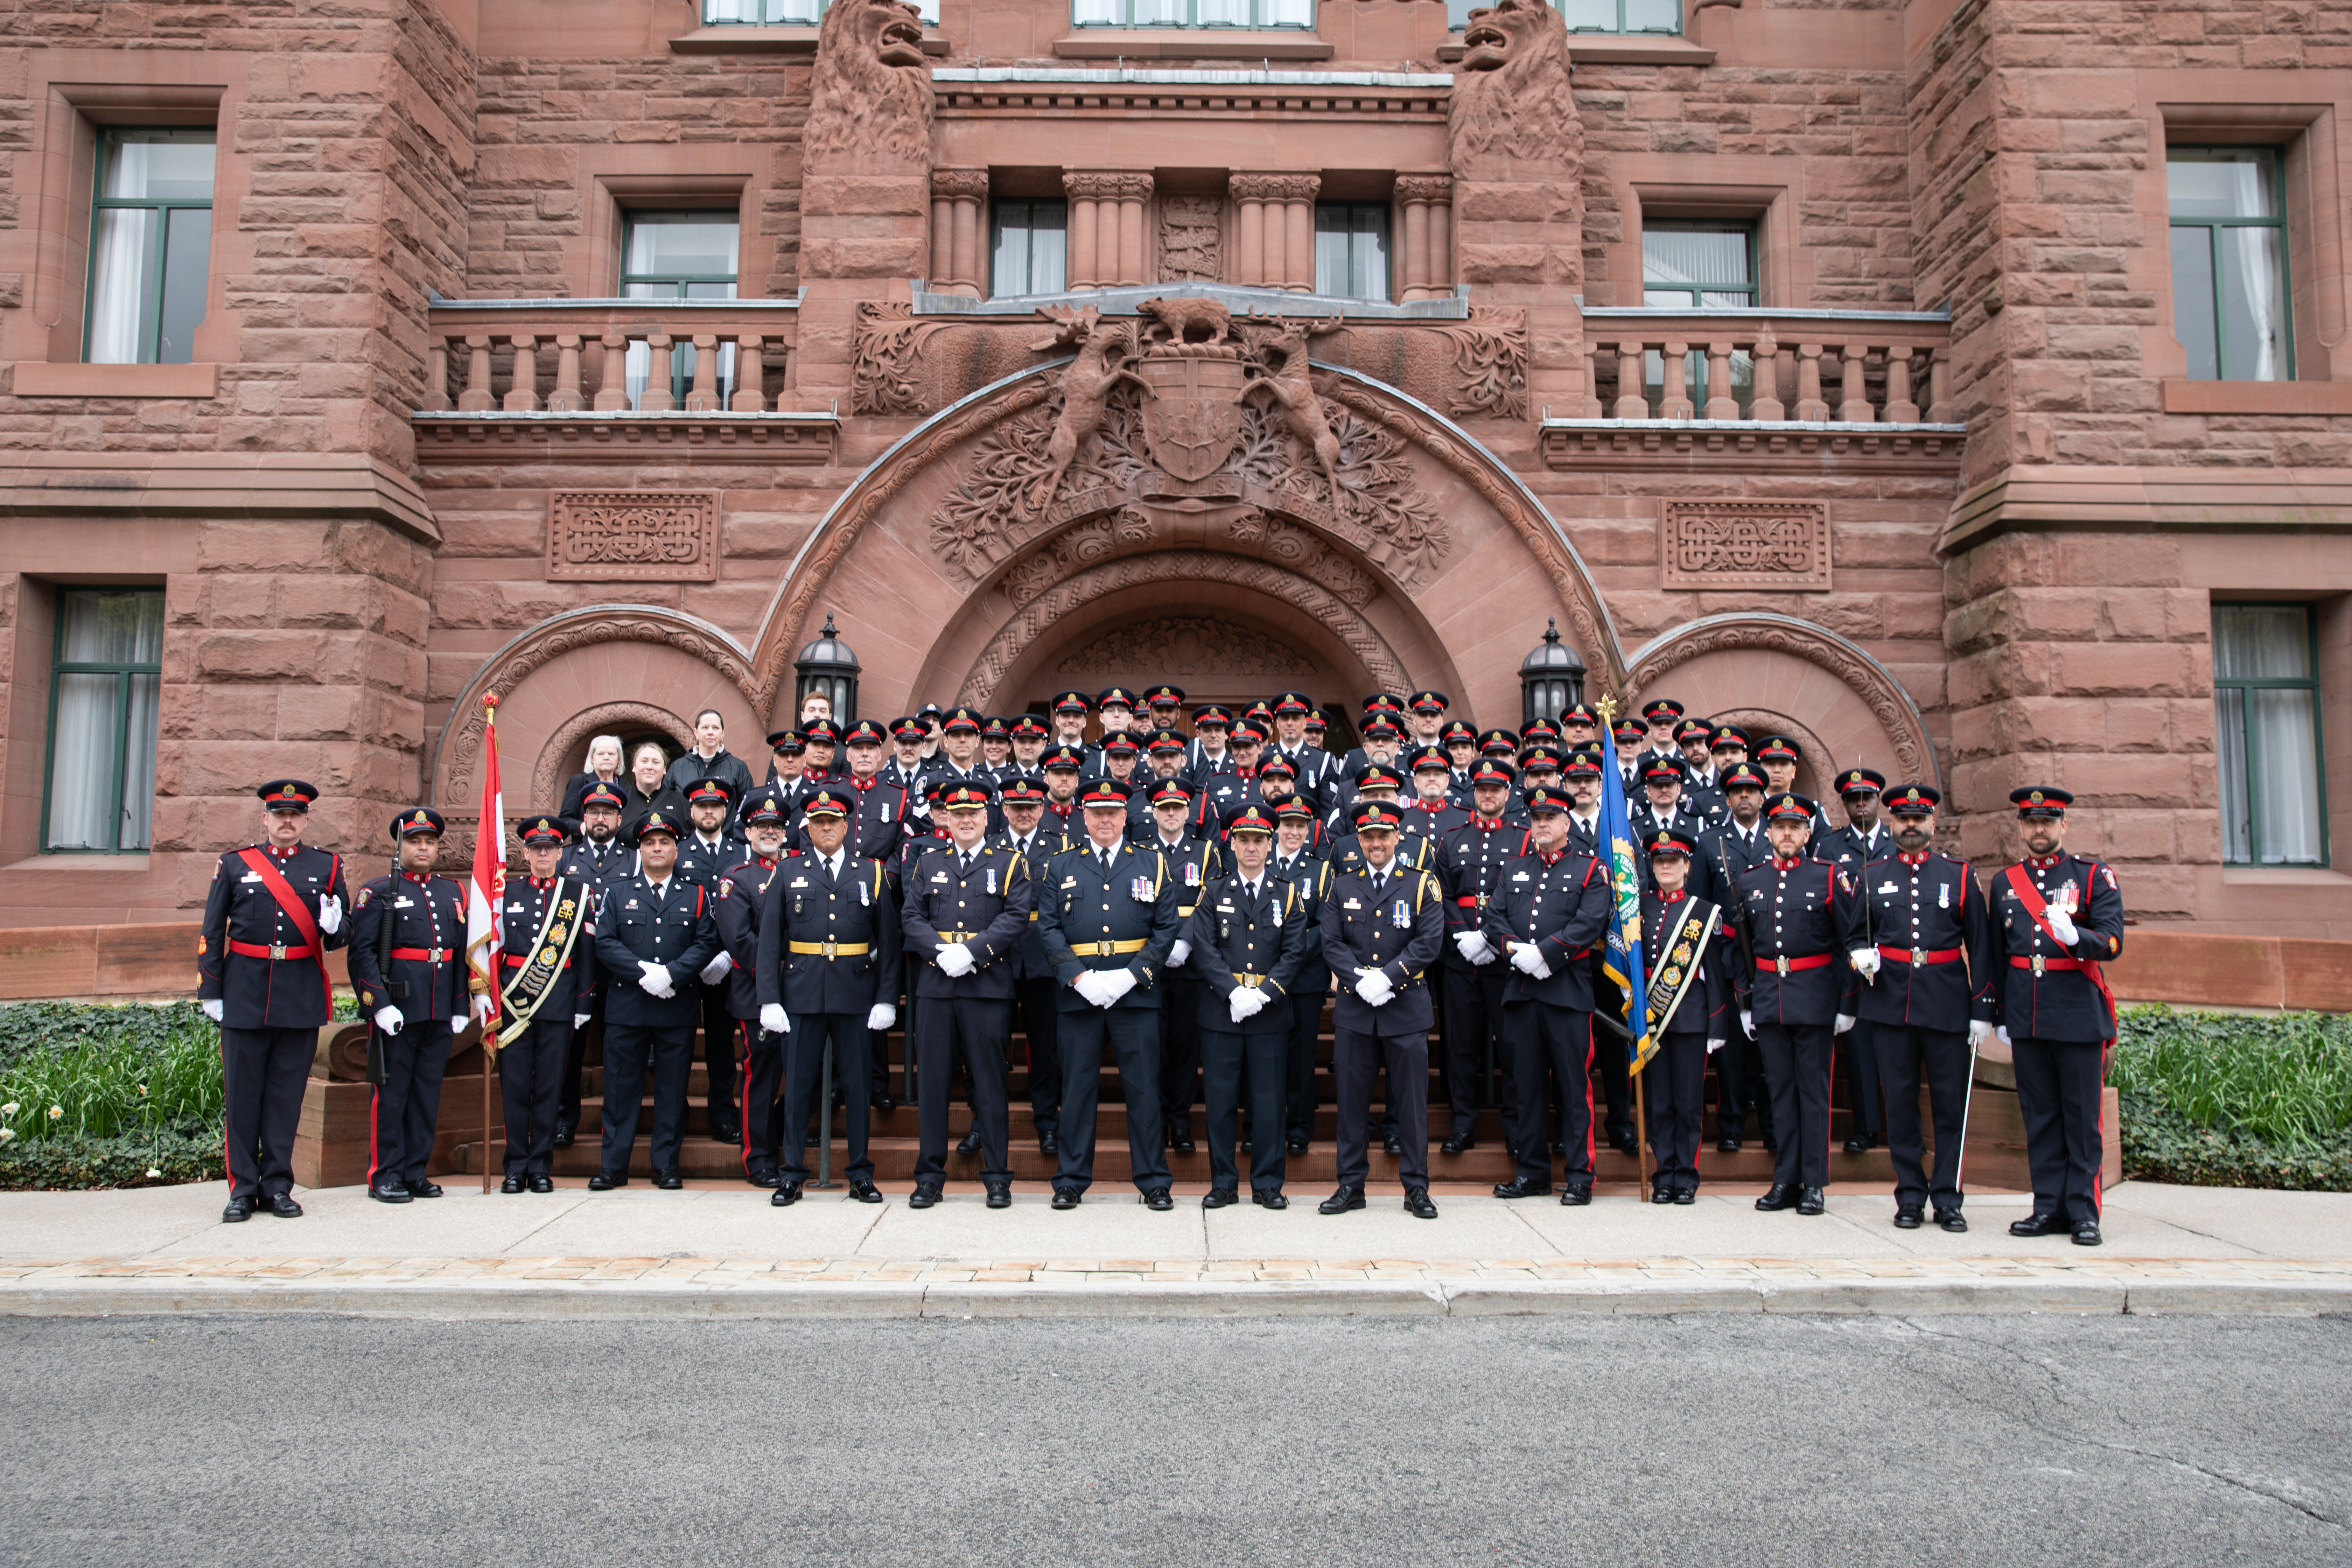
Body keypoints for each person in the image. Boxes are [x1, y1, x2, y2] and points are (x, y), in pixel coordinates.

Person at [197, 780, 352, 1223]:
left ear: (305, 820)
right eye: (279, 814)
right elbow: (212, 931)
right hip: (245, 992)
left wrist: (335, 923)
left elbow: (342, 937)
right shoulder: (234, 865)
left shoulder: (326, 866)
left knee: (287, 1099)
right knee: (243, 1098)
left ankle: (278, 1186)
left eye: (295, 815)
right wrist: (211, 989)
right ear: (265, 819)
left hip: (298, 995)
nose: (287, 821)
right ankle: (242, 1189)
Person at [1855, 783, 1994, 1232]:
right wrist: (1860, 957)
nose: (1911, 825)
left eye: (1919, 818)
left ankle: (1949, 1198)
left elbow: (1981, 943)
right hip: (1890, 1005)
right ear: (1892, 823)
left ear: (1933, 824)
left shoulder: (1958, 875)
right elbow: (1856, 933)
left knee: (1950, 1107)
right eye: (1903, 818)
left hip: (1947, 1005)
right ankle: (1910, 1196)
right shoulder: (1872, 873)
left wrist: (1982, 1008)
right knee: (1900, 1106)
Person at [1038, 780, 1183, 1209]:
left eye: (1112, 812)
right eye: (1097, 812)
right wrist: (1080, 979)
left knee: (1143, 1090)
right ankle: (1070, 1179)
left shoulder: (1151, 864)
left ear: (1125, 817)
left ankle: (1154, 1180)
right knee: (1077, 1091)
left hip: (1134, 995)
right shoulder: (1062, 865)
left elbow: (1166, 928)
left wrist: (1131, 976)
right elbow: (1048, 929)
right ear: (1085, 817)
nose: (1104, 819)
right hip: (1080, 995)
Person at [1991, 785, 2125, 1247]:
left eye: (2048, 821)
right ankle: (2048, 1206)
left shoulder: (2092, 876)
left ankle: (2084, 1212)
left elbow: (2112, 942)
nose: (2039, 829)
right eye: (2031, 822)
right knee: (2041, 1116)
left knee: (2081, 1118)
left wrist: (2077, 937)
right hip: (2028, 1013)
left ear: (2063, 826)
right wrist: (2000, 1013)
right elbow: (1997, 953)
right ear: (2022, 828)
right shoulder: (2006, 883)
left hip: (2076, 1013)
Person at [757, 787, 901, 1206]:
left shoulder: (871, 872)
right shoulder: (787, 871)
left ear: (845, 826)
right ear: (809, 827)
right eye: (818, 822)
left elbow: (889, 944)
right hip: (801, 993)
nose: (826, 828)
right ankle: (791, 1174)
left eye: (833, 822)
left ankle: (860, 1172)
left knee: (857, 1088)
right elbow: (769, 942)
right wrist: (769, 999)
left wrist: (887, 998)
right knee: (798, 1087)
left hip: (856, 993)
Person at [900, 782, 1032, 1208]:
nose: (965, 820)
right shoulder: (927, 862)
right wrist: (942, 953)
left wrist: (972, 953)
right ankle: (929, 1177)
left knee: (991, 1086)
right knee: (935, 1084)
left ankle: (997, 1177)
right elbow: (911, 916)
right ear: (947, 820)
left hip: (986, 987)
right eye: (957, 814)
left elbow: (1015, 918)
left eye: (973, 813)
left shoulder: (1010, 863)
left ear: (986, 817)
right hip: (937, 987)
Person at [1482, 786, 1614, 1204]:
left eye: (1550, 817)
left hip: (1567, 994)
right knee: (1527, 1087)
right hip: (1522, 992)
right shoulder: (1514, 868)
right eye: (1536, 817)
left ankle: (1580, 1175)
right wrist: (1516, 952)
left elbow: (1591, 921)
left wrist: (1547, 954)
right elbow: (1494, 916)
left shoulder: (1591, 869)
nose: (1541, 824)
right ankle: (1532, 1172)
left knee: (1575, 1088)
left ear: (1566, 823)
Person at [1318, 799, 1447, 1219]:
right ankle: (1350, 1185)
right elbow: (1332, 943)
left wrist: (1388, 978)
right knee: (1352, 1104)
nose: (1376, 842)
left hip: (1405, 1008)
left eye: (1383, 835)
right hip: (1357, 1010)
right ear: (1359, 840)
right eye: (1369, 836)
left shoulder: (1421, 883)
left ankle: (1416, 1188)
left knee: (1411, 1105)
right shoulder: (1342, 886)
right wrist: (1360, 980)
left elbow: (1428, 942)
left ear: (1397, 838)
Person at [1738, 792, 1865, 1217]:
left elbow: (1850, 941)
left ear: (1808, 833)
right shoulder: (1752, 879)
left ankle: (1814, 1182)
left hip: (1814, 997)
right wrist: (1746, 1002)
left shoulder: (1830, 876)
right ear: (1769, 833)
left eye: (1795, 827)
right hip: (1771, 998)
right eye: (1779, 827)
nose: (1787, 833)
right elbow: (1743, 948)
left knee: (1814, 1092)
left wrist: (1848, 1002)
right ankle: (1785, 1179)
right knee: (1781, 1092)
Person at [1186, 803, 1310, 1209]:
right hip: (1222, 1013)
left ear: (1270, 844)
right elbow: (1204, 949)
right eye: (1244, 840)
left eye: (1259, 840)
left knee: (1269, 1100)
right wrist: (1234, 992)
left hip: (1270, 1013)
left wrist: (1264, 993)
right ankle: (1223, 1182)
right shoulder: (1214, 890)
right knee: (1220, 1103)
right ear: (1232, 843)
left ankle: (1268, 1183)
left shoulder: (1287, 893)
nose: (1252, 847)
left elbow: (1295, 952)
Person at [588, 808, 719, 1191]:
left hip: (675, 1006)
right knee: (618, 1089)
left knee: (672, 1090)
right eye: (650, 843)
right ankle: (613, 1166)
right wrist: (644, 972)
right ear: (639, 850)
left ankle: (666, 1166)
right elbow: (606, 943)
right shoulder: (618, 892)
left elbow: (707, 941)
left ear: (676, 851)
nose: (657, 848)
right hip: (628, 1007)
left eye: (665, 842)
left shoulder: (695, 895)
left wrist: (673, 974)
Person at [348, 807, 470, 1205]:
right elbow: (362, 954)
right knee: (392, 1094)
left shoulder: (452, 892)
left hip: (436, 1008)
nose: (423, 848)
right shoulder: (378, 890)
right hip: (397, 1010)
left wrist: (459, 1005)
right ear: (400, 846)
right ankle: (384, 1173)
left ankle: (415, 1170)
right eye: (415, 841)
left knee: (425, 1094)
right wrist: (378, 1005)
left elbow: (454, 953)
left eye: (429, 842)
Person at [492, 813, 597, 1194]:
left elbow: (586, 953)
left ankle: (540, 1167)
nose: (543, 855)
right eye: (537, 849)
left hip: (558, 1004)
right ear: (526, 852)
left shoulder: (576, 894)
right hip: (515, 1004)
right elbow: (496, 952)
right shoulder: (506, 894)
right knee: (516, 1087)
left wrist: (583, 1002)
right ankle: (514, 1166)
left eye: (550, 849)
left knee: (551, 1088)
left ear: (559, 853)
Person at [1636, 830, 1735, 1204]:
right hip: (1652, 1017)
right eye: (1660, 861)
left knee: (1689, 1102)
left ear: (1687, 866)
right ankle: (1664, 1174)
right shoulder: (1640, 908)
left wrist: (1717, 1023)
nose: (1666, 867)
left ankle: (1687, 1178)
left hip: (1691, 1018)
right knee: (1660, 1102)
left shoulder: (1703, 912)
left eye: (1673, 861)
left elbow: (1713, 973)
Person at [1436, 761, 1528, 1156]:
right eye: (1482, 789)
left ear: (1508, 794)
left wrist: (1490, 938)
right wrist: (1462, 935)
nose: (1488, 795)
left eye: (1496, 789)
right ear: (1473, 793)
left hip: (1505, 961)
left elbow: (1523, 900)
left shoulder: (1524, 840)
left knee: (1512, 1047)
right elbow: (1441, 893)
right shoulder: (1453, 839)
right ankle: (1462, 1124)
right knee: (1460, 1046)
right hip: (1461, 960)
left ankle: (1516, 1130)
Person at [716, 789, 792, 1188]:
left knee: (811, 1076)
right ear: (748, 832)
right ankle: (758, 1157)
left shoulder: (797, 869)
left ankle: (780, 1137)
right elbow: (740, 942)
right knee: (761, 1076)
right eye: (762, 826)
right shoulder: (737, 879)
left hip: (801, 994)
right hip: (756, 995)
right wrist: (784, 971)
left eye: (776, 826)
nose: (769, 832)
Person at [1698, 763, 1775, 1154]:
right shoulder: (1712, 842)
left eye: (1752, 790)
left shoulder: (1779, 836)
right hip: (1727, 958)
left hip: (1769, 956)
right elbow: (1699, 904)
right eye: (1737, 791)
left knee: (1769, 1050)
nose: (1744, 796)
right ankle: (1730, 1124)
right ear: (1727, 798)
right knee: (1729, 1049)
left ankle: (1772, 1126)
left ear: (1763, 797)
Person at [1143, 779, 1222, 1154]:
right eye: (1164, 808)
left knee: (1187, 1048)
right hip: (1151, 967)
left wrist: (1186, 940)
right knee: (1153, 1047)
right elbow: (1136, 908)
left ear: (1189, 813)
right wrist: (1163, 946)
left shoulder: (1206, 852)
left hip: (1192, 966)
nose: (1171, 813)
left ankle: (1181, 1121)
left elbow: (1211, 902)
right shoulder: (1140, 852)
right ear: (1154, 813)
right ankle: (1156, 1120)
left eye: (1178, 807)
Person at [555, 779, 630, 1149]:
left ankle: (613, 1130)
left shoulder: (633, 859)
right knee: (569, 1053)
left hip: (619, 974)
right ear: (583, 818)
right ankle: (565, 1120)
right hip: (574, 973)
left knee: (618, 1052)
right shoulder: (565, 859)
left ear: (620, 818)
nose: (601, 819)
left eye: (608, 813)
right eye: (594, 813)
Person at [1822, 766, 1892, 1154]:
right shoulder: (1831, 848)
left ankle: (1900, 1129)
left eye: (1867, 797)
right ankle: (1865, 1127)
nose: (1861, 803)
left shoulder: (1897, 844)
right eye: (1853, 799)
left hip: (1892, 960)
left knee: (1897, 1049)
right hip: (1848, 959)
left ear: (1878, 800)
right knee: (1861, 1047)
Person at [995, 778, 1067, 1155]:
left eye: (1031, 806)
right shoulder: (990, 848)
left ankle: (1048, 1122)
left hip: (1044, 958)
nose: (1024, 813)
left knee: (1045, 1047)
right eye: (1016, 806)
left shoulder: (1061, 848)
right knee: (991, 1045)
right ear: (1004, 809)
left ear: (1043, 809)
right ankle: (983, 1121)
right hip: (998, 957)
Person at [673, 778, 747, 1147]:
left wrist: (729, 954)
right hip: (686, 964)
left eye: (715, 806)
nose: (708, 812)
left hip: (729, 965)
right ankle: (676, 1115)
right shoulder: (676, 850)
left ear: (725, 811)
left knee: (721, 1045)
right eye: (702, 806)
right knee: (678, 1045)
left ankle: (723, 1115)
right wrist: (698, 957)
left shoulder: (741, 851)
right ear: (692, 811)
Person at [1269, 798, 1332, 1155]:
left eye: (1300, 826)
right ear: (1277, 827)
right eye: (1288, 824)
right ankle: (1264, 1125)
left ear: (1308, 831)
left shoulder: (1320, 871)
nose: (1294, 832)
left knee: (1302, 1056)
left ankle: (1299, 1128)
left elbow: (1323, 925)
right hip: (1264, 978)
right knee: (1265, 1055)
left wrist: (1288, 958)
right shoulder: (1260, 860)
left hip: (1305, 979)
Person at [668, 707, 756, 804]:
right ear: (696, 733)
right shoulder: (678, 767)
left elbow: (747, 806)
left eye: (716, 728)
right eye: (705, 728)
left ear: (723, 733)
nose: (710, 732)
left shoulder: (738, 768)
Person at [560, 734, 631, 819]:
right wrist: (582, 827)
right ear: (592, 759)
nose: (606, 758)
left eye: (611, 754)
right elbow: (565, 819)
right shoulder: (580, 782)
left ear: (619, 760)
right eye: (600, 754)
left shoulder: (626, 788)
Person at [629, 739, 685, 822]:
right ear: (634, 767)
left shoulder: (681, 803)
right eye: (644, 761)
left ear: (664, 769)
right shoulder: (621, 801)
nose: (650, 767)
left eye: (656, 762)